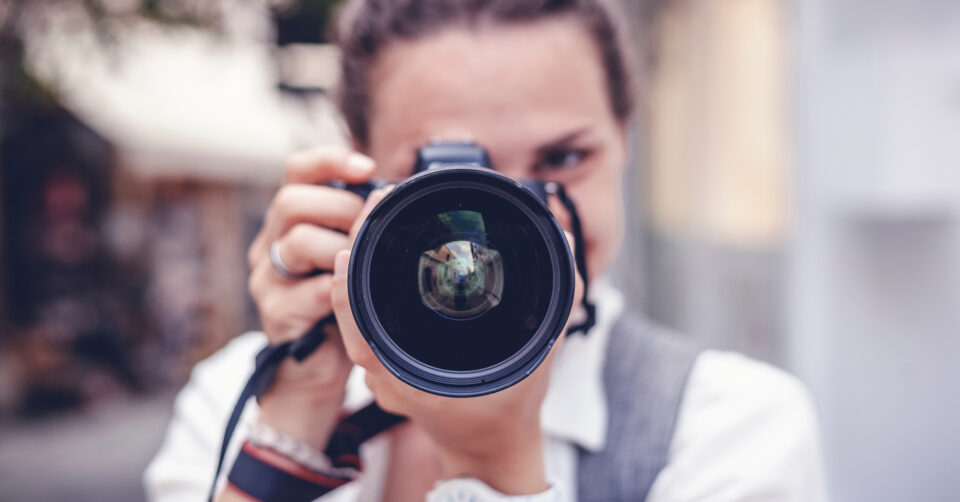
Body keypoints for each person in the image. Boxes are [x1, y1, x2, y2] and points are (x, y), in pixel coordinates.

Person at [145, 0, 826, 500]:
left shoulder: (729, 427)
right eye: (443, 178)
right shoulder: (236, 396)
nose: (497, 224)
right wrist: (297, 412)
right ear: (360, 172)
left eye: (563, 157)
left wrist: (494, 460)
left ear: (624, 137)